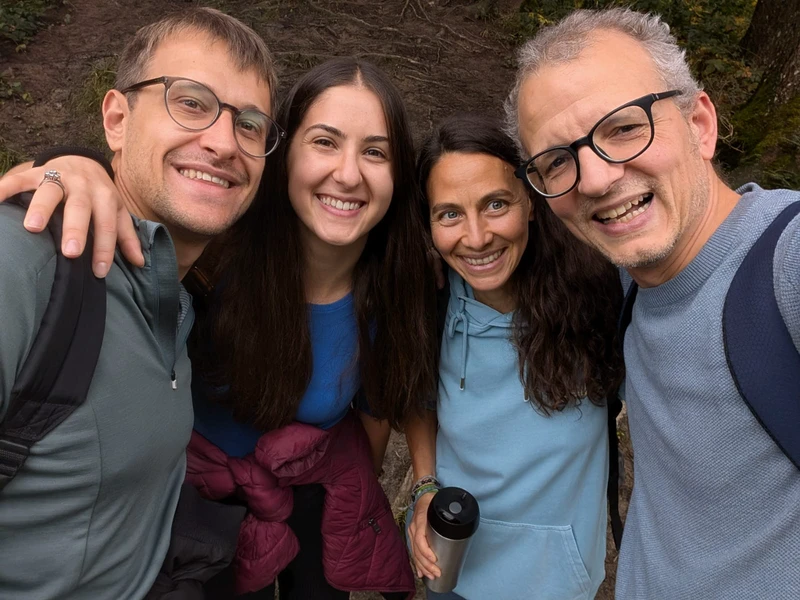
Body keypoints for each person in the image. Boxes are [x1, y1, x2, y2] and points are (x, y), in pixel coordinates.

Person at [505, 7, 800, 599]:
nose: (593, 179)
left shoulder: (785, 260)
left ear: (700, 124)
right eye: (557, 161)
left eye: (622, 127)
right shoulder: (627, 283)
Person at [0, 7, 279, 600]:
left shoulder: (178, 294)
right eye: (191, 102)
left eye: (250, 125)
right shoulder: (24, 263)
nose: (224, 142)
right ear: (117, 119)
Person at [190, 56, 434, 600]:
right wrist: (68, 166)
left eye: (375, 152)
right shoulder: (210, 256)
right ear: (283, 154)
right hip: (200, 501)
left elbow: (375, 415)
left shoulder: (395, 289)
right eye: (325, 142)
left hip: (315, 489)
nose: (348, 174)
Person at [404, 114, 624, 600]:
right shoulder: (428, 301)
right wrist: (424, 487)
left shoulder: (596, 292)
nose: (477, 237)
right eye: (449, 214)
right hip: (454, 566)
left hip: (555, 582)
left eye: (495, 204)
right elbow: (419, 396)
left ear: (531, 201)